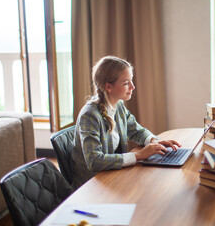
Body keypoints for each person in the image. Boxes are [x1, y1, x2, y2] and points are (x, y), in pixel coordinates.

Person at [70, 55, 181, 188]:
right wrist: (138, 155)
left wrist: (153, 141)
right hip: (92, 185)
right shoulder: (89, 116)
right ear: (109, 87)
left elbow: (136, 130)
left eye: (131, 81)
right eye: (126, 83)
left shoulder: (119, 105)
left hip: (112, 176)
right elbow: (94, 161)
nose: (133, 87)